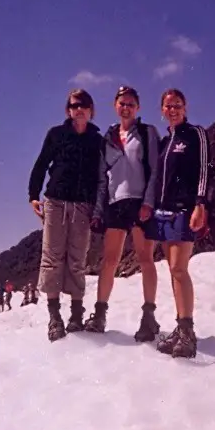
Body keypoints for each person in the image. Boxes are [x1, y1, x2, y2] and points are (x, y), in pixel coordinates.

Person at [85, 86, 162, 340]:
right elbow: (101, 178)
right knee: (109, 261)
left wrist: (149, 203)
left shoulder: (147, 133)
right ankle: (99, 314)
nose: (126, 107)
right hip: (115, 204)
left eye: (131, 103)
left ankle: (149, 318)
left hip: (139, 202)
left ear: (137, 107)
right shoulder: (108, 138)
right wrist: (98, 210)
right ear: (115, 106)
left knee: (145, 258)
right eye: (122, 103)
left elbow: (154, 170)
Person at [28, 88, 104, 342]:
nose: (78, 109)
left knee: (77, 259)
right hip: (56, 202)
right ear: (68, 110)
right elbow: (41, 164)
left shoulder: (98, 141)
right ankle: (54, 318)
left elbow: (103, 176)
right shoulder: (56, 135)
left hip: (83, 205)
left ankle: (76, 315)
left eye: (83, 105)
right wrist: (33, 195)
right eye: (74, 105)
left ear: (91, 110)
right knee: (52, 258)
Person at [142, 88, 210, 359]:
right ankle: (180, 328)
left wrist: (200, 204)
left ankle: (188, 333)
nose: (172, 110)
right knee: (173, 270)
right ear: (162, 110)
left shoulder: (196, 134)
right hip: (164, 212)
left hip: (185, 210)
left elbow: (204, 169)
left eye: (177, 105)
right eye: (168, 106)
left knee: (179, 268)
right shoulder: (164, 142)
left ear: (185, 107)